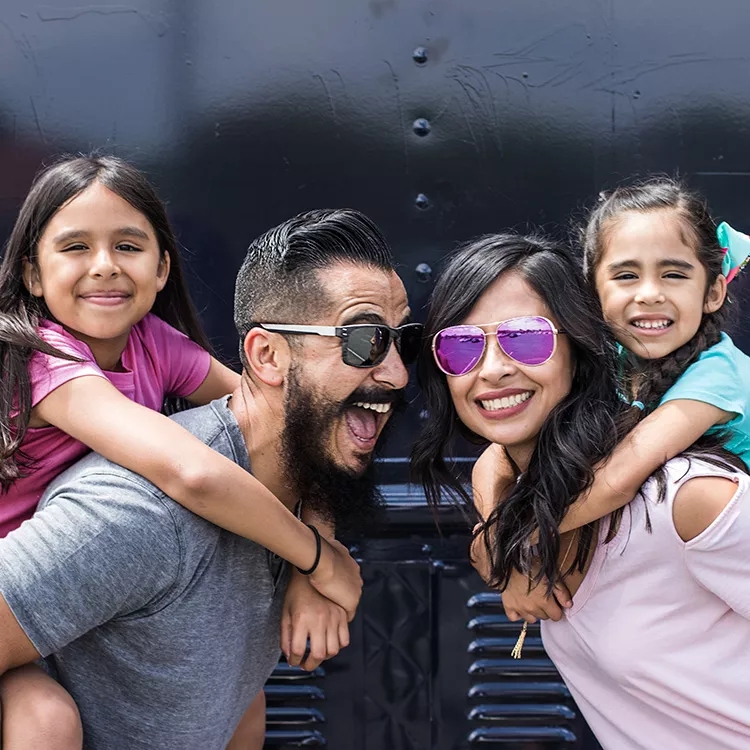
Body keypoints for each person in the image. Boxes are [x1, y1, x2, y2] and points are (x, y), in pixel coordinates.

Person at [0, 204, 418, 749]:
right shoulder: (134, 513)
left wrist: (313, 556)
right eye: (364, 340)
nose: (398, 373)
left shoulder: (294, 470)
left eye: (401, 340)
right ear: (266, 355)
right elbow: (190, 475)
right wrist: (318, 557)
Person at [412, 232, 750, 749]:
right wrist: (508, 542)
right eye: (461, 345)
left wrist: (514, 539)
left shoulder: (686, 502)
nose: (494, 368)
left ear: (581, 348)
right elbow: (494, 466)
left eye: (526, 337)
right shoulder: (528, 491)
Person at [497, 178, 750, 624]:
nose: (649, 292)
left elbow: (618, 479)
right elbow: (493, 460)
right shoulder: (602, 363)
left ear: (712, 292)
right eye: (626, 275)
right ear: (592, 293)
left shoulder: (720, 374)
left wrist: (523, 541)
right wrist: (501, 550)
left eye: (673, 274)